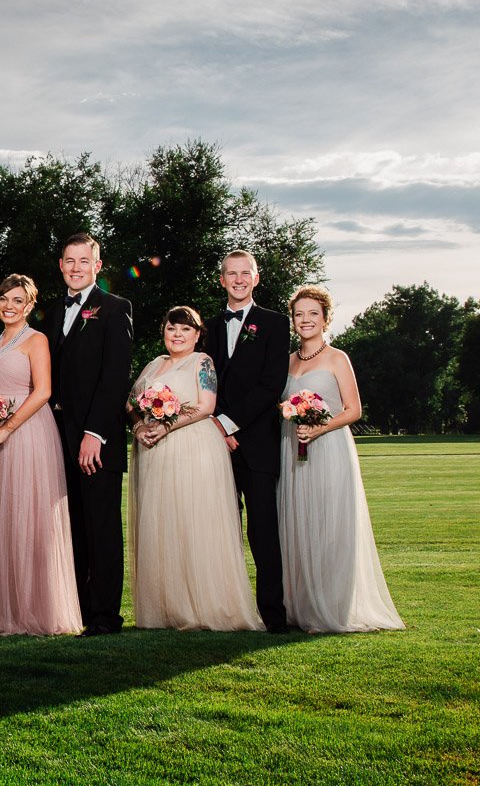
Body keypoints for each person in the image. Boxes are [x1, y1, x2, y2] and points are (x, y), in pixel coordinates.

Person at [0, 275, 83, 636]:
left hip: (26, 433)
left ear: (29, 306)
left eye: (17, 300)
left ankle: (30, 609)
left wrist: (7, 428)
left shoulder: (36, 340)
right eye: (3, 299)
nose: (9, 306)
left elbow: (43, 391)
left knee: (26, 516)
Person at [127, 307, 264, 631]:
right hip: (155, 452)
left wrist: (167, 426)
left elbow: (206, 406)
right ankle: (168, 608)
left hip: (193, 449)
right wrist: (138, 427)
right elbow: (131, 404)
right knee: (164, 525)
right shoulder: (154, 364)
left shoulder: (203, 363)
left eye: (185, 330)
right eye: (172, 328)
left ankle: (204, 607)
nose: (177, 335)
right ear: (164, 331)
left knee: (194, 522)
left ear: (198, 335)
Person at [279, 286, 403, 633]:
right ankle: (299, 607)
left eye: (312, 314)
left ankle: (330, 608)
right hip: (292, 451)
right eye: (299, 314)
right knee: (297, 525)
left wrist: (318, 428)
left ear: (325, 318)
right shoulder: (287, 360)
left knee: (329, 525)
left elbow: (354, 410)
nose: (305, 320)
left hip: (330, 448)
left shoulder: (337, 358)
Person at [45, 233, 133, 637]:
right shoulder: (50, 312)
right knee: (71, 526)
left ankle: (105, 616)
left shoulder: (115, 309)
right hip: (55, 435)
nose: (76, 267)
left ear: (98, 266)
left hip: (95, 438)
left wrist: (94, 433)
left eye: (85, 261)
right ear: (61, 265)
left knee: (100, 526)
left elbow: (115, 377)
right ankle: (76, 609)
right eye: (70, 261)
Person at [207, 249, 290, 633]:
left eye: (245, 273)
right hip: (214, 447)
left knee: (262, 530)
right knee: (218, 529)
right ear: (221, 279)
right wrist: (215, 426)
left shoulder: (275, 323)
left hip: (256, 444)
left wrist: (228, 423)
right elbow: (204, 383)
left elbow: (271, 385)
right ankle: (224, 610)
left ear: (256, 278)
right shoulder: (206, 326)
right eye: (231, 273)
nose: (238, 279)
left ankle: (273, 614)